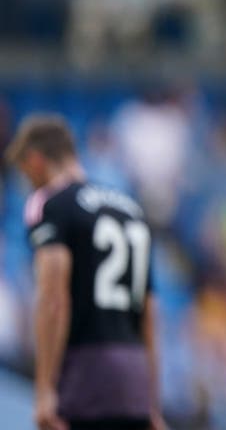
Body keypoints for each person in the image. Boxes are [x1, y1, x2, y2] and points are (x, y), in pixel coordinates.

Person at [6, 113, 164, 430]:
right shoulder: (130, 210)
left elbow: (53, 298)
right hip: (132, 381)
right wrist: (152, 403)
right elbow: (148, 312)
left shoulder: (53, 205)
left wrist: (44, 391)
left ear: (35, 160)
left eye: (25, 173)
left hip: (86, 376)